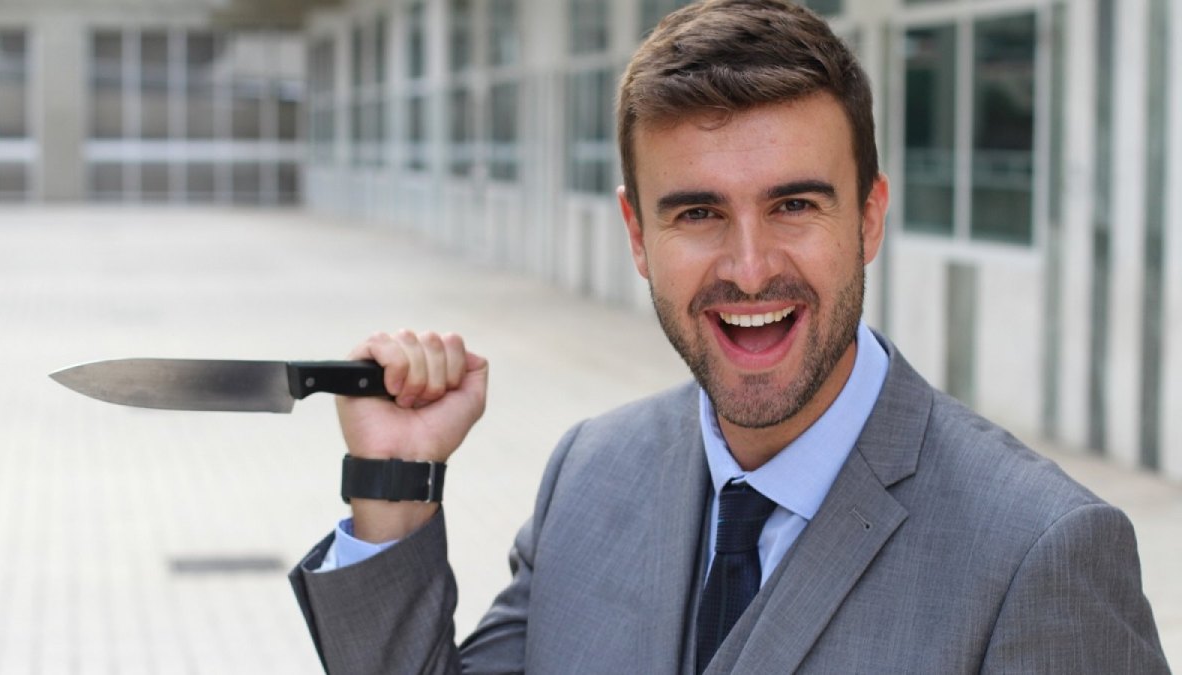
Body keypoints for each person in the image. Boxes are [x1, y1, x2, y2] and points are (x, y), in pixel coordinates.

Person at [289, 1, 1169, 673]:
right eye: (699, 212)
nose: (749, 269)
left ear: (869, 219)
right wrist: (394, 486)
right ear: (638, 236)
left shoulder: (1043, 553)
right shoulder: (590, 472)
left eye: (793, 204)